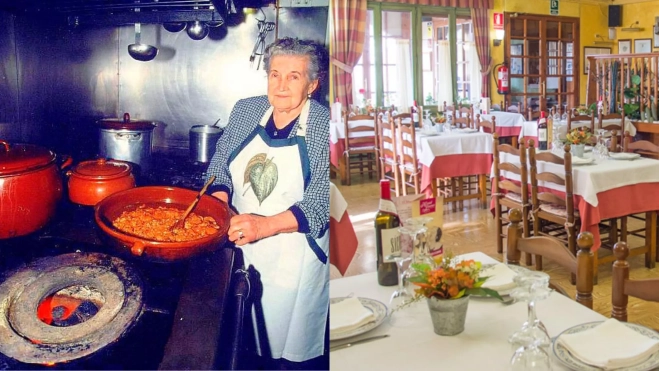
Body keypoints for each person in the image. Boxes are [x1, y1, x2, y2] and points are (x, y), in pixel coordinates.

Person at [205, 37, 329, 369]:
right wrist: (221, 201)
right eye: (275, 74)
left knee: (284, 348)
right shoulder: (246, 109)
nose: (281, 85)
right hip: (239, 243)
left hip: (293, 255)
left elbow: (321, 203)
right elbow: (219, 165)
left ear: (312, 84)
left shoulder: (325, 126)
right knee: (237, 338)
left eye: (294, 76)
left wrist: (264, 225)